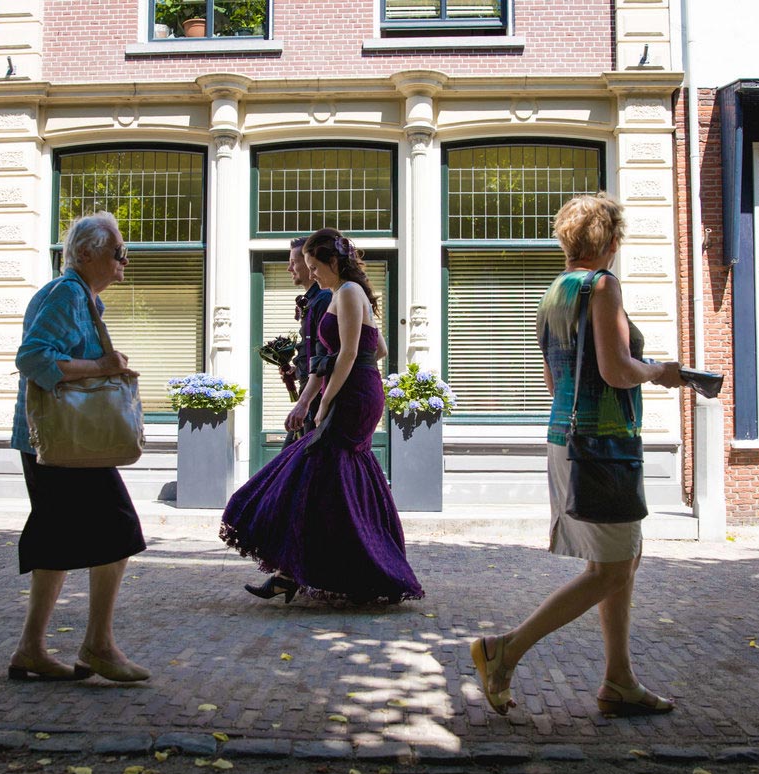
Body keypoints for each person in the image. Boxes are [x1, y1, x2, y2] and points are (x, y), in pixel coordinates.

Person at [470, 194, 683, 717]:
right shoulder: (603, 286)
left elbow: (553, 379)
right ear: (611, 243)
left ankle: (619, 680)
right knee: (612, 568)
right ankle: (505, 650)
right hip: (603, 444)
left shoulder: (553, 293)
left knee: (618, 560)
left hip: (565, 438)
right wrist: (660, 371)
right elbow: (616, 371)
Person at [221, 228, 424, 605]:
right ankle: (302, 571)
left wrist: (327, 401)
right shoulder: (343, 294)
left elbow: (349, 354)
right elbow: (373, 348)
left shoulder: (348, 292)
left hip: (352, 397)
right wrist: (312, 396)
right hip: (356, 389)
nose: (311, 273)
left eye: (315, 266)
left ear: (333, 262)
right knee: (332, 477)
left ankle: (343, 569)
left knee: (314, 469)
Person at [8, 210, 150, 683]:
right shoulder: (67, 293)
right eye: (118, 253)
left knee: (57, 539)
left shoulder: (82, 299)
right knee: (120, 527)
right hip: (62, 442)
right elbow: (32, 358)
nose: (123, 263)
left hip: (52, 441)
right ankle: (97, 646)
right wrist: (104, 367)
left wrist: (103, 363)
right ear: (86, 253)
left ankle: (30, 648)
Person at [282, 236, 333, 447]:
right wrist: (298, 369)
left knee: (292, 465)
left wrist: (304, 403)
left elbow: (328, 356)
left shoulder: (324, 300)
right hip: (310, 394)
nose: (289, 269)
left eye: (293, 263)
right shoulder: (314, 300)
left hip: (316, 399)